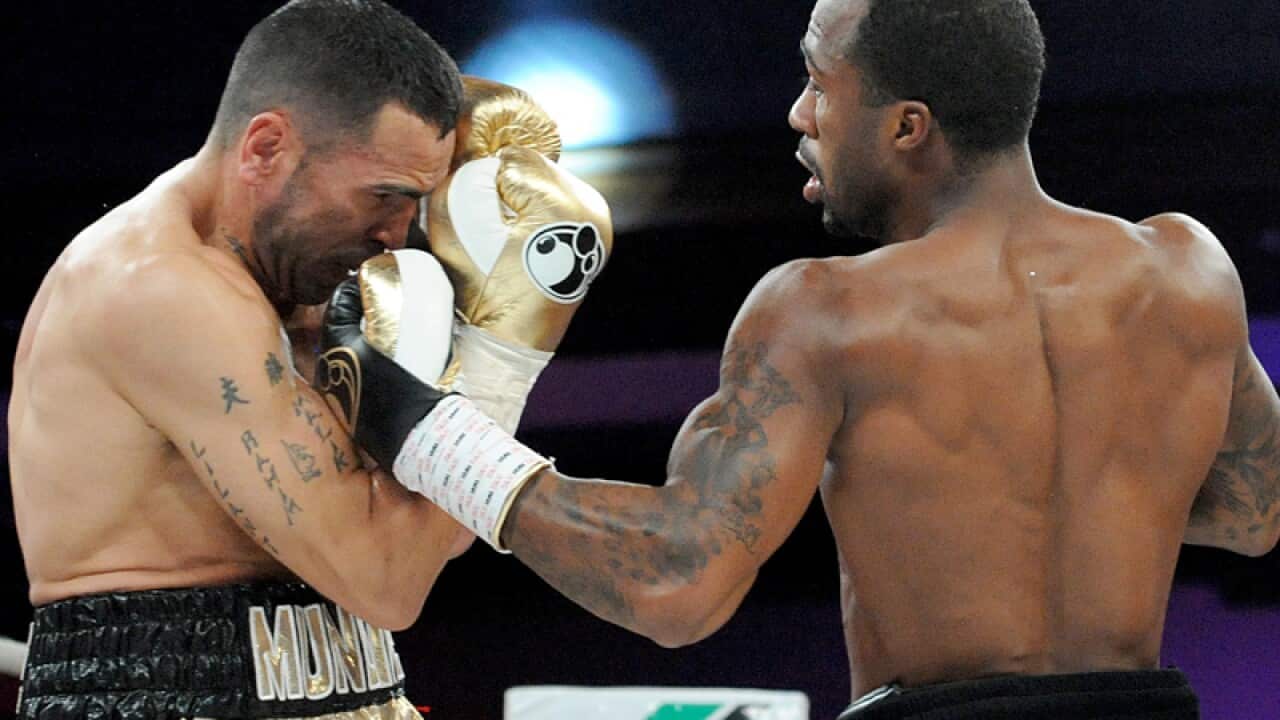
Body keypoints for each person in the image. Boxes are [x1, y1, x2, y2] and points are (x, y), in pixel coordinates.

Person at [318, 0, 1279, 718]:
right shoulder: (1189, 268)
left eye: (820, 82)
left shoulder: (828, 310)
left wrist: (416, 428)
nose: (797, 113)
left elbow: (673, 580)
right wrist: (1063, 499)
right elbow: (1253, 509)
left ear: (908, 126)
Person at [6, 2, 549, 717]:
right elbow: (387, 580)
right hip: (160, 692)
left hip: (347, 684)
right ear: (265, 147)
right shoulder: (162, 292)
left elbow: (431, 541)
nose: (396, 233)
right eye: (385, 195)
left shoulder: (311, 276)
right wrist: (503, 348)